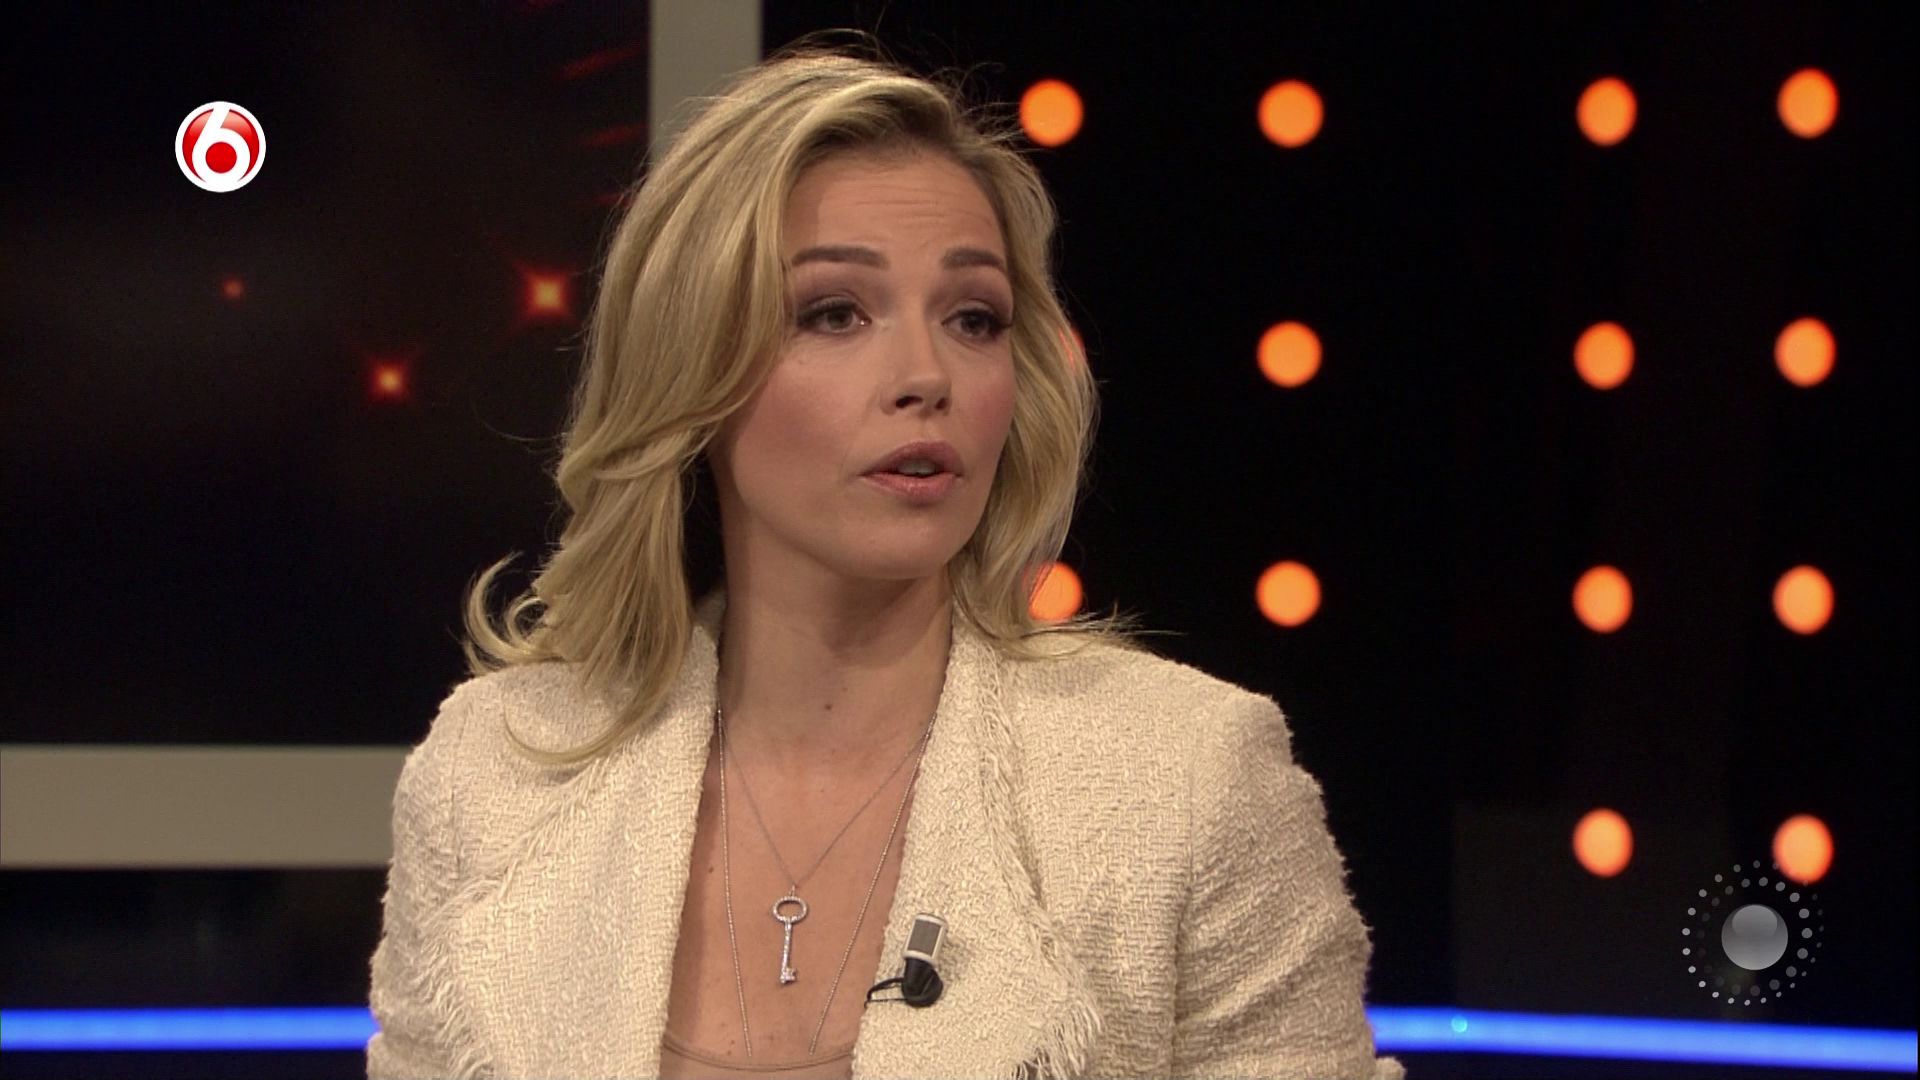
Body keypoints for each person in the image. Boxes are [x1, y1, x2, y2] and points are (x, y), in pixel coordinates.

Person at [366, 42, 1405, 1080]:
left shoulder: (1186, 781)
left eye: (973, 319)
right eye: (834, 313)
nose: (925, 374)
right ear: (690, 366)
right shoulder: (493, 775)